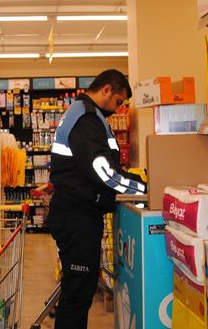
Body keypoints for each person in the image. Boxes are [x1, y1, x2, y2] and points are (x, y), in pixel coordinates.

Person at [48, 69, 147, 329]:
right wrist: (143, 189)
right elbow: (103, 171)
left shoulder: (86, 113)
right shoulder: (87, 119)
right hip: (76, 215)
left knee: (79, 289)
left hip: (77, 213)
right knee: (78, 293)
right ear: (106, 90)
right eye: (117, 101)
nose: (118, 109)